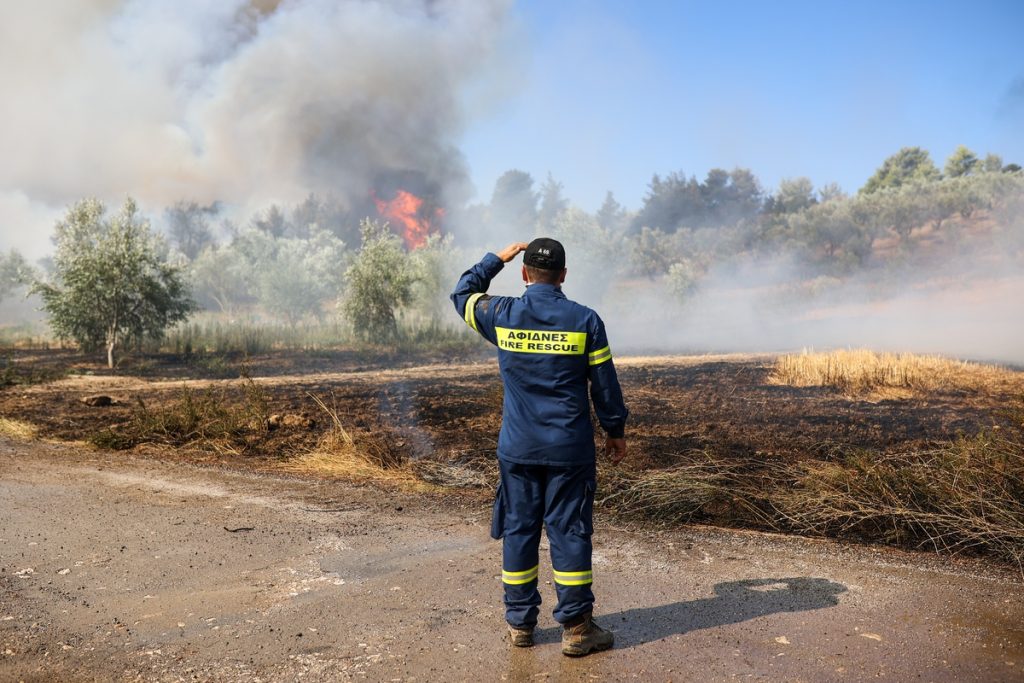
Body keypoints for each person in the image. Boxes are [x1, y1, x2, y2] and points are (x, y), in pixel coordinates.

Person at [451, 238, 628, 656]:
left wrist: (496, 259)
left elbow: (462, 294)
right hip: (569, 450)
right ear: (564, 275)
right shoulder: (586, 320)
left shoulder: (503, 315)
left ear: (525, 274)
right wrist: (614, 429)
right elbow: (605, 385)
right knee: (569, 532)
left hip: (518, 449)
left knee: (519, 530)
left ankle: (520, 626)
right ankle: (577, 628)